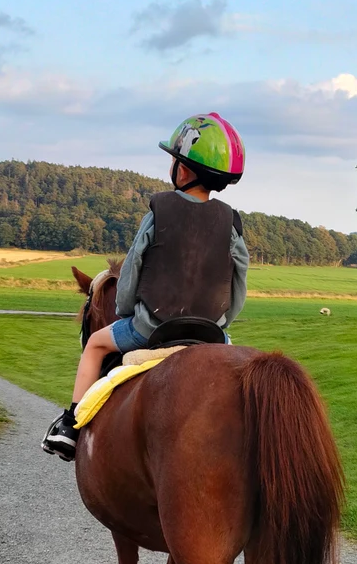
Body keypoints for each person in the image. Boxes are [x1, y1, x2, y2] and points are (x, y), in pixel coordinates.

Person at [42, 113, 249, 461]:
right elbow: (239, 278)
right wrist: (224, 322)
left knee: (94, 344)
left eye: (173, 159)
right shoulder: (231, 221)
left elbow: (133, 265)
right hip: (211, 332)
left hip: (151, 327)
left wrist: (125, 311)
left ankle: (70, 425)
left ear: (182, 170)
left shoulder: (159, 209)